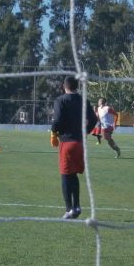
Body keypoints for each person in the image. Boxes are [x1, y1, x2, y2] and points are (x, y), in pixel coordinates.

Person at [50, 76, 98, 219]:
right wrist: (86, 131)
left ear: (64, 86)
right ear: (76, 86)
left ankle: (68, 209)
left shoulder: (60, 100)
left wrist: (53, 132)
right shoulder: (83, 100)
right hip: (80, 143)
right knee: (73, 174)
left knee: (65, 175)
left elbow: (57, 120)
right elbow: (94, 119)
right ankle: (76, 206)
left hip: (67, 141)